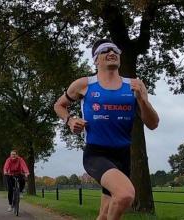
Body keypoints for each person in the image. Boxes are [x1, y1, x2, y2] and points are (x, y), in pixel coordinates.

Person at [54, 39, 159, 220]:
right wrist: (70, 120)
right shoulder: (83, 84)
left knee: (104, 213)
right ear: (96, 60)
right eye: (105, 50)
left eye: (115, 50)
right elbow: (59, 105)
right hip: (96, 154)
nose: (111, 52)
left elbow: (153, 123)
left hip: (123, 155)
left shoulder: (135, 85)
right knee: (125, 194)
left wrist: (142, 100)